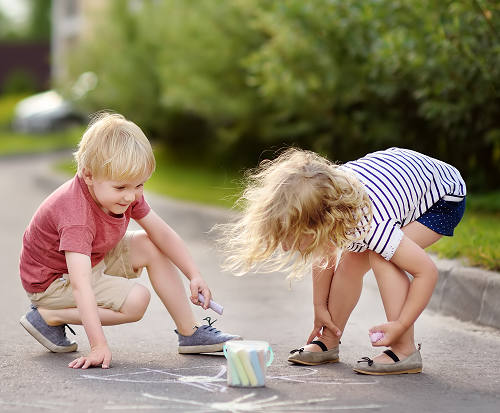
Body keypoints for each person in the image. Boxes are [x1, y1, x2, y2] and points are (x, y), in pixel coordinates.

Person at [19, 112, 241, 370]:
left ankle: (190, 332)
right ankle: (48, 316)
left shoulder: (122, 191)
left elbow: (163, 234)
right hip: (52, 281)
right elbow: (80, 285)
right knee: (137, 301)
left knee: (149, 243)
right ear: (88, 175)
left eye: (140, 185)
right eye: (121, 188)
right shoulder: (75, 216)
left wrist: (194, 274)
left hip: (90, 257)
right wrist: (98, 346)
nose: (131, 196)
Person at [218, 147, 466, 375]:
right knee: (351, 261)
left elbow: (427, 272)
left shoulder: (370, 224)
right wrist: (319, 308)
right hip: (399, 183)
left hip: (441, 199)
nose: (284, 246)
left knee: (382, 256)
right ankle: (328, 340)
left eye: (289, 237)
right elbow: (323, 251)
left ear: (319, 226)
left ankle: (404, 349)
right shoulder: (325, 199)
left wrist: (401, 324)